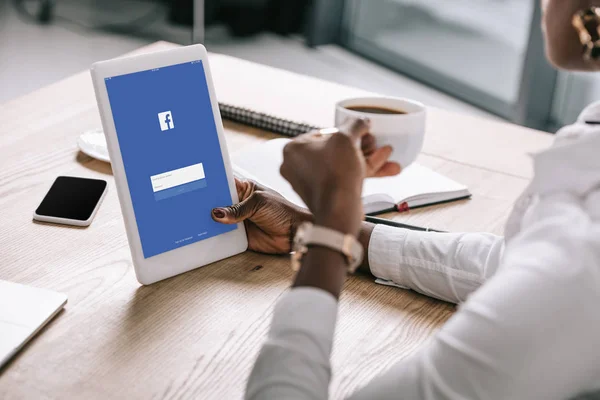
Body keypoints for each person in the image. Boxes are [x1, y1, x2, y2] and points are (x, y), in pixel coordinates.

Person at [212, 1, 600, 398]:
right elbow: (513, 264)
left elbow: (560, 275)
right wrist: (312, 226)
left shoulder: (580, 256)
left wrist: (326, 240)